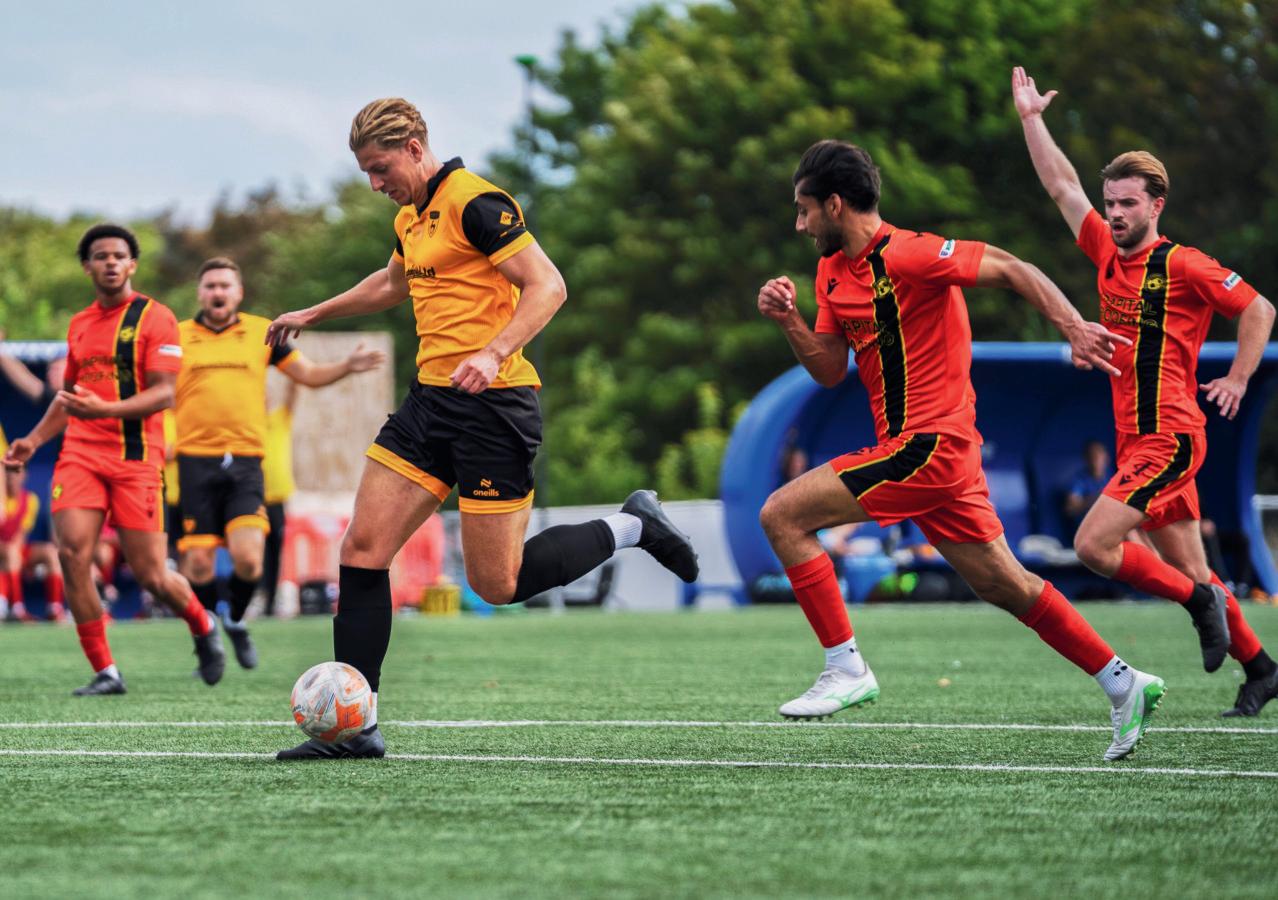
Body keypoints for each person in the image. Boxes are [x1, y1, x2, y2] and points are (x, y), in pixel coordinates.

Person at [265, 98, 699, 759]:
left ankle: (633, 525)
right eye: (366, 174)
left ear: (414, 148)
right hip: (429, 405)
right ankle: (356, 727)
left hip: (495, 407)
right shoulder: (410, 217)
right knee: (362, 550)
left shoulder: (477, 202)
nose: (376, 184)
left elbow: (548, 286)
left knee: (497, 584)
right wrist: (313, 313)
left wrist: (493, 353)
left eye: (381, 169)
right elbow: (391, 284)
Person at [756, 140, 1163, 761]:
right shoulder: (832, 272)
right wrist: (789, 321)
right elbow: (830, 370)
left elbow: (1015, 269)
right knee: (1006, 585)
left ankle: (845, 668)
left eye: (804, 209)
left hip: (932, 447)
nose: (799, 223)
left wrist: (1074, 327)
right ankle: (1123, 682)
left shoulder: (914, 253)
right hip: (928, 458)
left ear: (834, 205)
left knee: (782, 515)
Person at [1013, 66, 1278, 717]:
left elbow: (1258, 308)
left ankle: (1199, 604)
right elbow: (1061, 185)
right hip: (1135, 438)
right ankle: (1263, 668)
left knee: (1093, 547)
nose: (1115, 213)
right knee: (1194, 571)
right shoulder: (1106, 251)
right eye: (1111, 202)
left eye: (1128, 203)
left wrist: (1239, 377)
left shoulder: (1184, 263)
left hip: (1170, 436)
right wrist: (1032, 119)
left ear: (1156, 205)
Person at [2, 224, 225, 695]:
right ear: (87, 266)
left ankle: (202, 624)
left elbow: (164, 396)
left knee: (152, 575)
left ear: (132, 265)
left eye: (119, 256)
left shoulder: (156, 318)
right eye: (100, 256)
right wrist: (32, 442)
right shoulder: (80, 324)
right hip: (81, 455)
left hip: (137, 459)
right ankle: (106, 670)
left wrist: (104, 410)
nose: (110, 262)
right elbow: (68, 397)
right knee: (71, 554)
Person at [175, 256, 386, 669]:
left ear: (239, 292)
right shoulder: (178, 336)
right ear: (200, 293)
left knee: (250, 558)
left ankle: (235, 619)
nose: (218, 292)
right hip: (195, 461)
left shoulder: (263, 333)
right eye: (211, 285)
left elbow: (307, 374)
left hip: (245, 463)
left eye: (225, 285)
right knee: (197, 564)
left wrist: (347, 366)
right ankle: (207, 635)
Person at [259, 380, 297, 616]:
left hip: (277, 499)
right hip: (256, 499)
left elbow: (292, 393)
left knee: (275, 550)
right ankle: (259, 595)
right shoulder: (249, 426)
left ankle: (271, 600)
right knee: (259, 552)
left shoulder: (279, 419)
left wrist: (292, 370)